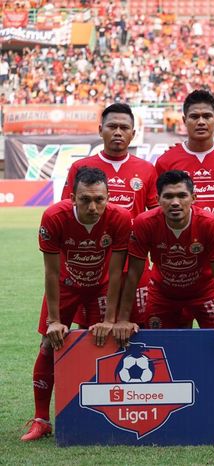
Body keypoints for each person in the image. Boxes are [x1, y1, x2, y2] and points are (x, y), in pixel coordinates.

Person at [22, 167, 132, 441]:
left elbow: (118, 271)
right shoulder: (54, 217)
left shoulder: (120, 218)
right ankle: (41, 420)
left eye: (99, 200)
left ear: (108, 198)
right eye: (85, 200)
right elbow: (50, 272)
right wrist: (53, 321)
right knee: (49, 344)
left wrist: (109, 319)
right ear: (72, 197)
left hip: (102, 286)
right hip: (65, 285)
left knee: (101, 342)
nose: (93, 207)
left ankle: (95, 414)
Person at [112, 170, 214, 346]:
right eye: (168, 196)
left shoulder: (210, 223)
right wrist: (122, 319)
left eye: (182, 195)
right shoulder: (144, 223)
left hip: (204, 293)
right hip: (162, 294)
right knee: (157, 346)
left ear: (194, 198)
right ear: (158, 199)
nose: (175, 202)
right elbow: (133, 273)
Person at [155, 90, 214, 317]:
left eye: (207, 116)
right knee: (176, 337)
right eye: (194, 116)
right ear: (184, 120)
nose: (200, 121)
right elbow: (157, 212)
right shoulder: (167, 161)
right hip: (178, 262)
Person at [62, 103, 158, 327]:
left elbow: (155, 218)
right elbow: (68, 212)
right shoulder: (81, 167)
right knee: (92, 331)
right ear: (100, 130)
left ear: (133, 134)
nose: (117, 132)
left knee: (138, 326)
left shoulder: (146, 169)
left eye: (124, 128)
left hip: (134, 261)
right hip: (94, 263)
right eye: (112, 126)